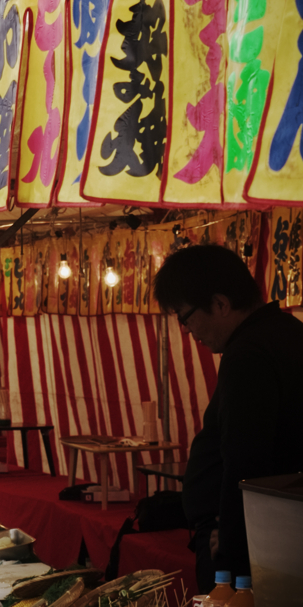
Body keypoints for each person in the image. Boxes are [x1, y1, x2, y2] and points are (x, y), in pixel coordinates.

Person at [154, 244, 303, 589]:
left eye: (186, 317)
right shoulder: (286, 332)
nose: (188, 331)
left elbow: (244, 455)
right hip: (276, 532)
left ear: (220, 304)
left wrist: (234, 540)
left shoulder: (248, 354)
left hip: (251, 544)